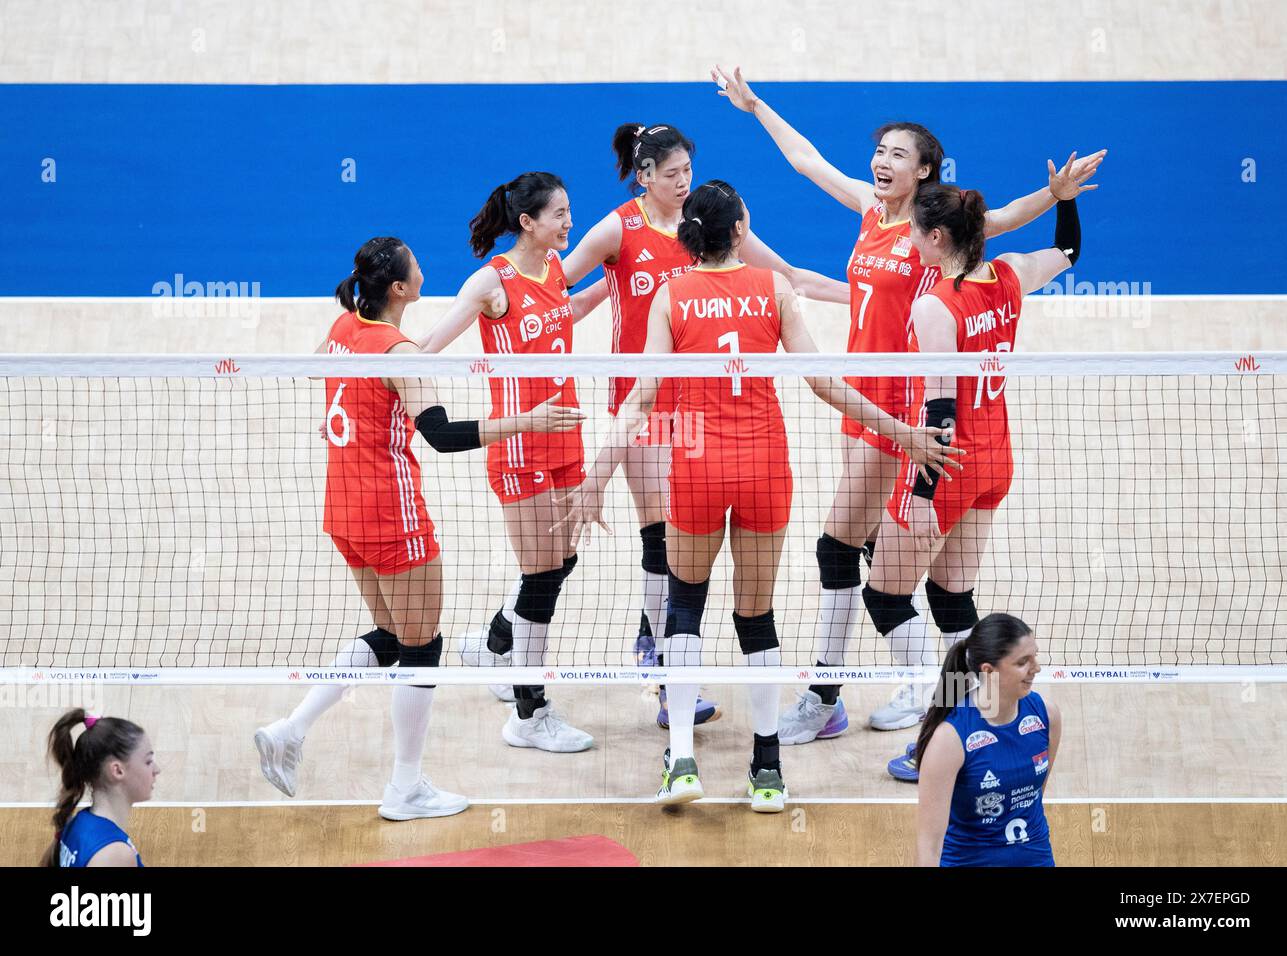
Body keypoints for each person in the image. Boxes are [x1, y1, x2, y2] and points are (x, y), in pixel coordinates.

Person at [710, 65, 1104, 738]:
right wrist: (755, 107)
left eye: (898, 154)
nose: (881, 161)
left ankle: (850, 695)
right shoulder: (871, 211)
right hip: (857, 402)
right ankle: (915, 688)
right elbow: (809, 164)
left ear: (926, 172)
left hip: (901, 413)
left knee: (844, 552)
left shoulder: (931, 237)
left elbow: (1005, 219)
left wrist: (1056, 192)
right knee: (880, 558)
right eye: (880, 151)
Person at [560, 180, 960, 811]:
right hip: (764, 468)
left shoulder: (671, 294)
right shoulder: (772, 289)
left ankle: (683, 759)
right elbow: (825, 382)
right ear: (740, 230)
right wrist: (903, 433)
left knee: (684, 606)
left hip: (694, 467)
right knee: (757, 617)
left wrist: (596, 477)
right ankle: (767, 769)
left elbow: (640, 398)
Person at [255, 237, 583, 816]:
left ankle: (291, 728)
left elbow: (311, 373)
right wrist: (526, 421)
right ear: (401, 288)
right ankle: (406, 787)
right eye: (414, 264)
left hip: (343, 510)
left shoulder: (342, 329)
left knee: (389, 638)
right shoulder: (398, 350)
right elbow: (441, 434)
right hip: (391, 514)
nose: (423, 266)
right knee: (421, 647)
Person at [558, 122, 850, 728]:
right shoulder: (619, 227)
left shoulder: (712, 224)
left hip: (699, 411)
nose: (683, 182)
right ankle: (666, 671)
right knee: (659, 538)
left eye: (688, 171)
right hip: (639, 404)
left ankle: (658, 645)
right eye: (671, 175)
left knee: (678, 542)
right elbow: (553, 283)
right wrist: (577, 299)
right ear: (645, 177)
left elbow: (790, 277)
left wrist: (865, 296)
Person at [865, 177, 1085, 780]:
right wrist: (1063, 199)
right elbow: (1069, 252)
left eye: (914, 230)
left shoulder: (935, 305)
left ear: (936, 238)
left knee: (884, 596)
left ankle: (935, 732)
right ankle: (986, 720)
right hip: (995, 460)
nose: (908, 237)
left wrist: (922, 495)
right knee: (950, 597)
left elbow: (939, 411)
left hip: (949, 465)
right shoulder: (1010, 272)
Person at [418, 174, 596, 753]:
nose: (570, 223)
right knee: (543, 575)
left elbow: (564, 316)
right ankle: (529, 711)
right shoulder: (493, 282)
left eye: (570, 212)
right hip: (520, 448)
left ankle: (494, 641)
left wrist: (618, 290)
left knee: (561, 563)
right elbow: (424, 350)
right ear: (528, 222)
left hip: (567, 438)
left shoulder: (553, 273)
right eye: (560, 215)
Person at [914, 613, 1060, 866]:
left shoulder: (1046, 715)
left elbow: (1035, 799)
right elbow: (929, 846)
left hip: (1035, 858)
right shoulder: (950, 739)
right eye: (1023, 662)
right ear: (989, 671)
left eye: (1035, 656)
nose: (1036, 668)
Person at [43, 708, 156, 867]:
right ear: (117, 770)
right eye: (148, 761)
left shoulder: (80, 821)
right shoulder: (115, 854)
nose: (156, 770)